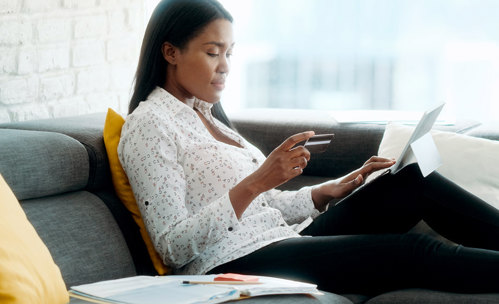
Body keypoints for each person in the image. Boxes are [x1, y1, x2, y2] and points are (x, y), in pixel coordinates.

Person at [118, 0, 499, 296]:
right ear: (170, 53)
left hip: (284, 240)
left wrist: (325, 191)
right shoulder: (149, 125)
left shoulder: (209, 117)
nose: (225, 66)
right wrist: (256, 181)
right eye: (212, 52)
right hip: (234, 266)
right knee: (412, 251)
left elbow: (265, 210)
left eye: (230, 53)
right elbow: (172, 247)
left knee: (409, 181)